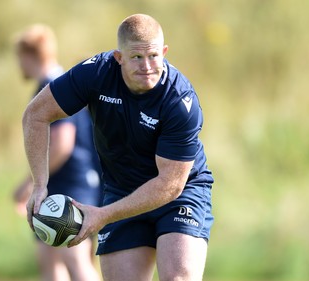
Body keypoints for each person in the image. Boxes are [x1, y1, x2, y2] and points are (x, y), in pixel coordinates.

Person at [23, 14, 214, 281]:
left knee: (177, 278)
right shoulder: (96, 74)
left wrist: (102, 215)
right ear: (119, 57)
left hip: (179, 194)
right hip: (122, 188)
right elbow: (36, 114)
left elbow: (171, 184)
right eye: (136, 57)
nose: (147, 66)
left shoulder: (179, 100)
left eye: (154, 56)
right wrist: (40, 184)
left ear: (164, 52)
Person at [13, 24, 102, 281]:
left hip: (73, 184)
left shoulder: (55, 84)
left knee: (76, 261)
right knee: (49, 260)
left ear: (29, 56)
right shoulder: (57, 81)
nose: (19, 66)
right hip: (63, 184)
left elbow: (63, 142)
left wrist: (30, 183)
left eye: (20, 59)